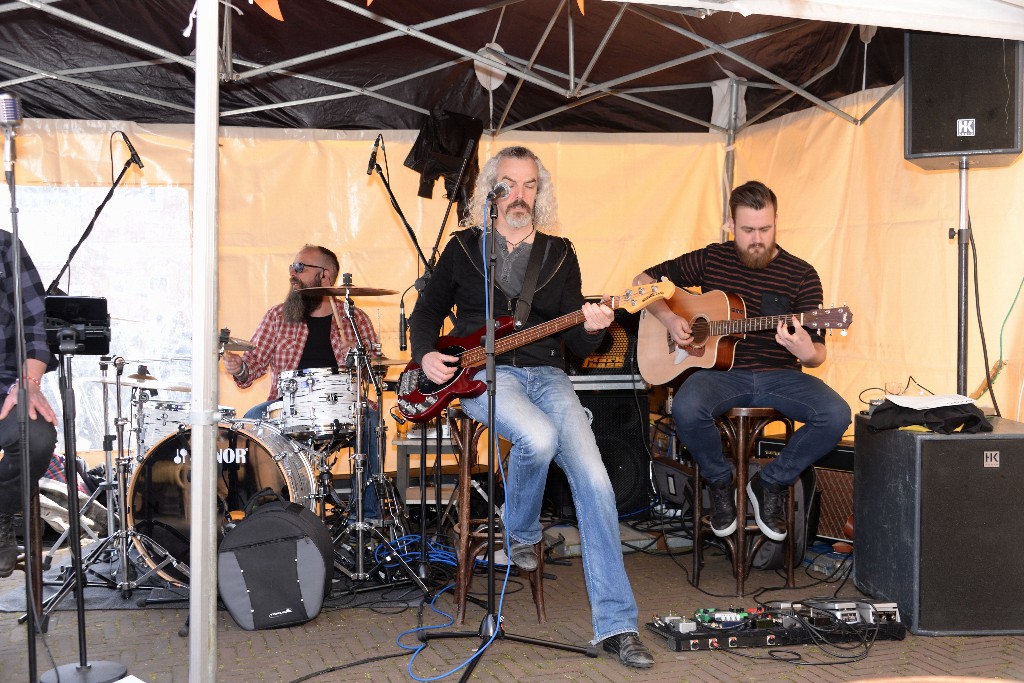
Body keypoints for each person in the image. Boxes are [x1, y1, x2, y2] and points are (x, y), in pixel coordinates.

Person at [409, 146, 654, 669]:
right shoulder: (464, 248)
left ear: (539, 194)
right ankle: (520, 531)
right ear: (490, 192)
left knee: (596, 481)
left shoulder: (560, 253)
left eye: (530, 186)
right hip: (479, 373)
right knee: (537, 438)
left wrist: (595, 328)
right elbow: (427, 310)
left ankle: (617, 627)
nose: (519, 195)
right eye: (510, 184)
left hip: (547, 374)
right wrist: (426, 353)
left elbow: (580, 349)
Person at [634, 180, 851, 542]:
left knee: (836, 415)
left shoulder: (802, 274)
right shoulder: (712, 258)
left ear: (777, 222)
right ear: (730, 225)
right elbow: (642, 281)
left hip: (780, 375)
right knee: (687, 407)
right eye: (747, 230)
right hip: (723, 375)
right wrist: (671, 319)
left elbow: (818, 354)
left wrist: (804, 351)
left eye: (765, 229)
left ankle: (770, 483)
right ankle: (721, 483)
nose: (757, 239)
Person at [223, 244, 384, 520]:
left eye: (300, 268)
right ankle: (263, 515)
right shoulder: (277, 316)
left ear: (326, 275)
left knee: (370, 420)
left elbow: (375, 376)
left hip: (342, 409)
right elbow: (252, 369)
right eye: (292, 267)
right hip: (287, 408)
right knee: (250, 422)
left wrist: (358, 356)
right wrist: (239, 368)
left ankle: (366, 517)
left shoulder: (354, 319)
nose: (292, 274)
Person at [0, 234, 58, 577]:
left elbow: (38, 323)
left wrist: (29, 382)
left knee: (36, 438)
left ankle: (1, 513)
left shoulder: (5, 247)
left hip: (7, 386)